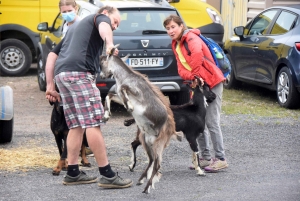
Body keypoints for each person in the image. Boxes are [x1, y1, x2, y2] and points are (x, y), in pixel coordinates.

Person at [45, 5, 133, 188]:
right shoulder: (99, 18)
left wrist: (49, 85)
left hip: (62, 76)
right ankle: (107, 175)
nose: (115, 26)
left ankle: (73, 172)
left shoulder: (74, 28)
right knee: (93, 122)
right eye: (115, 21)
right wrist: (109, 44)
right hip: (80, 74)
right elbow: (105, 26)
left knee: (76, 125)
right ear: (106, 13)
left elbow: (52, 55)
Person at [163, 14, 229, 172]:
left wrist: (195, 76)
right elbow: (181, 69)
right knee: (197, 120)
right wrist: (193, 77)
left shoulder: (191, 38)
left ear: (181, 26)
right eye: (167, 28)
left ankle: (220, 158)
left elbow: (198, 57)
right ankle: (205, 158)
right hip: (198, 84)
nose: (171, 31)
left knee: (212, 121)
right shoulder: (176, 44)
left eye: (173, 27)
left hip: (212, 81)